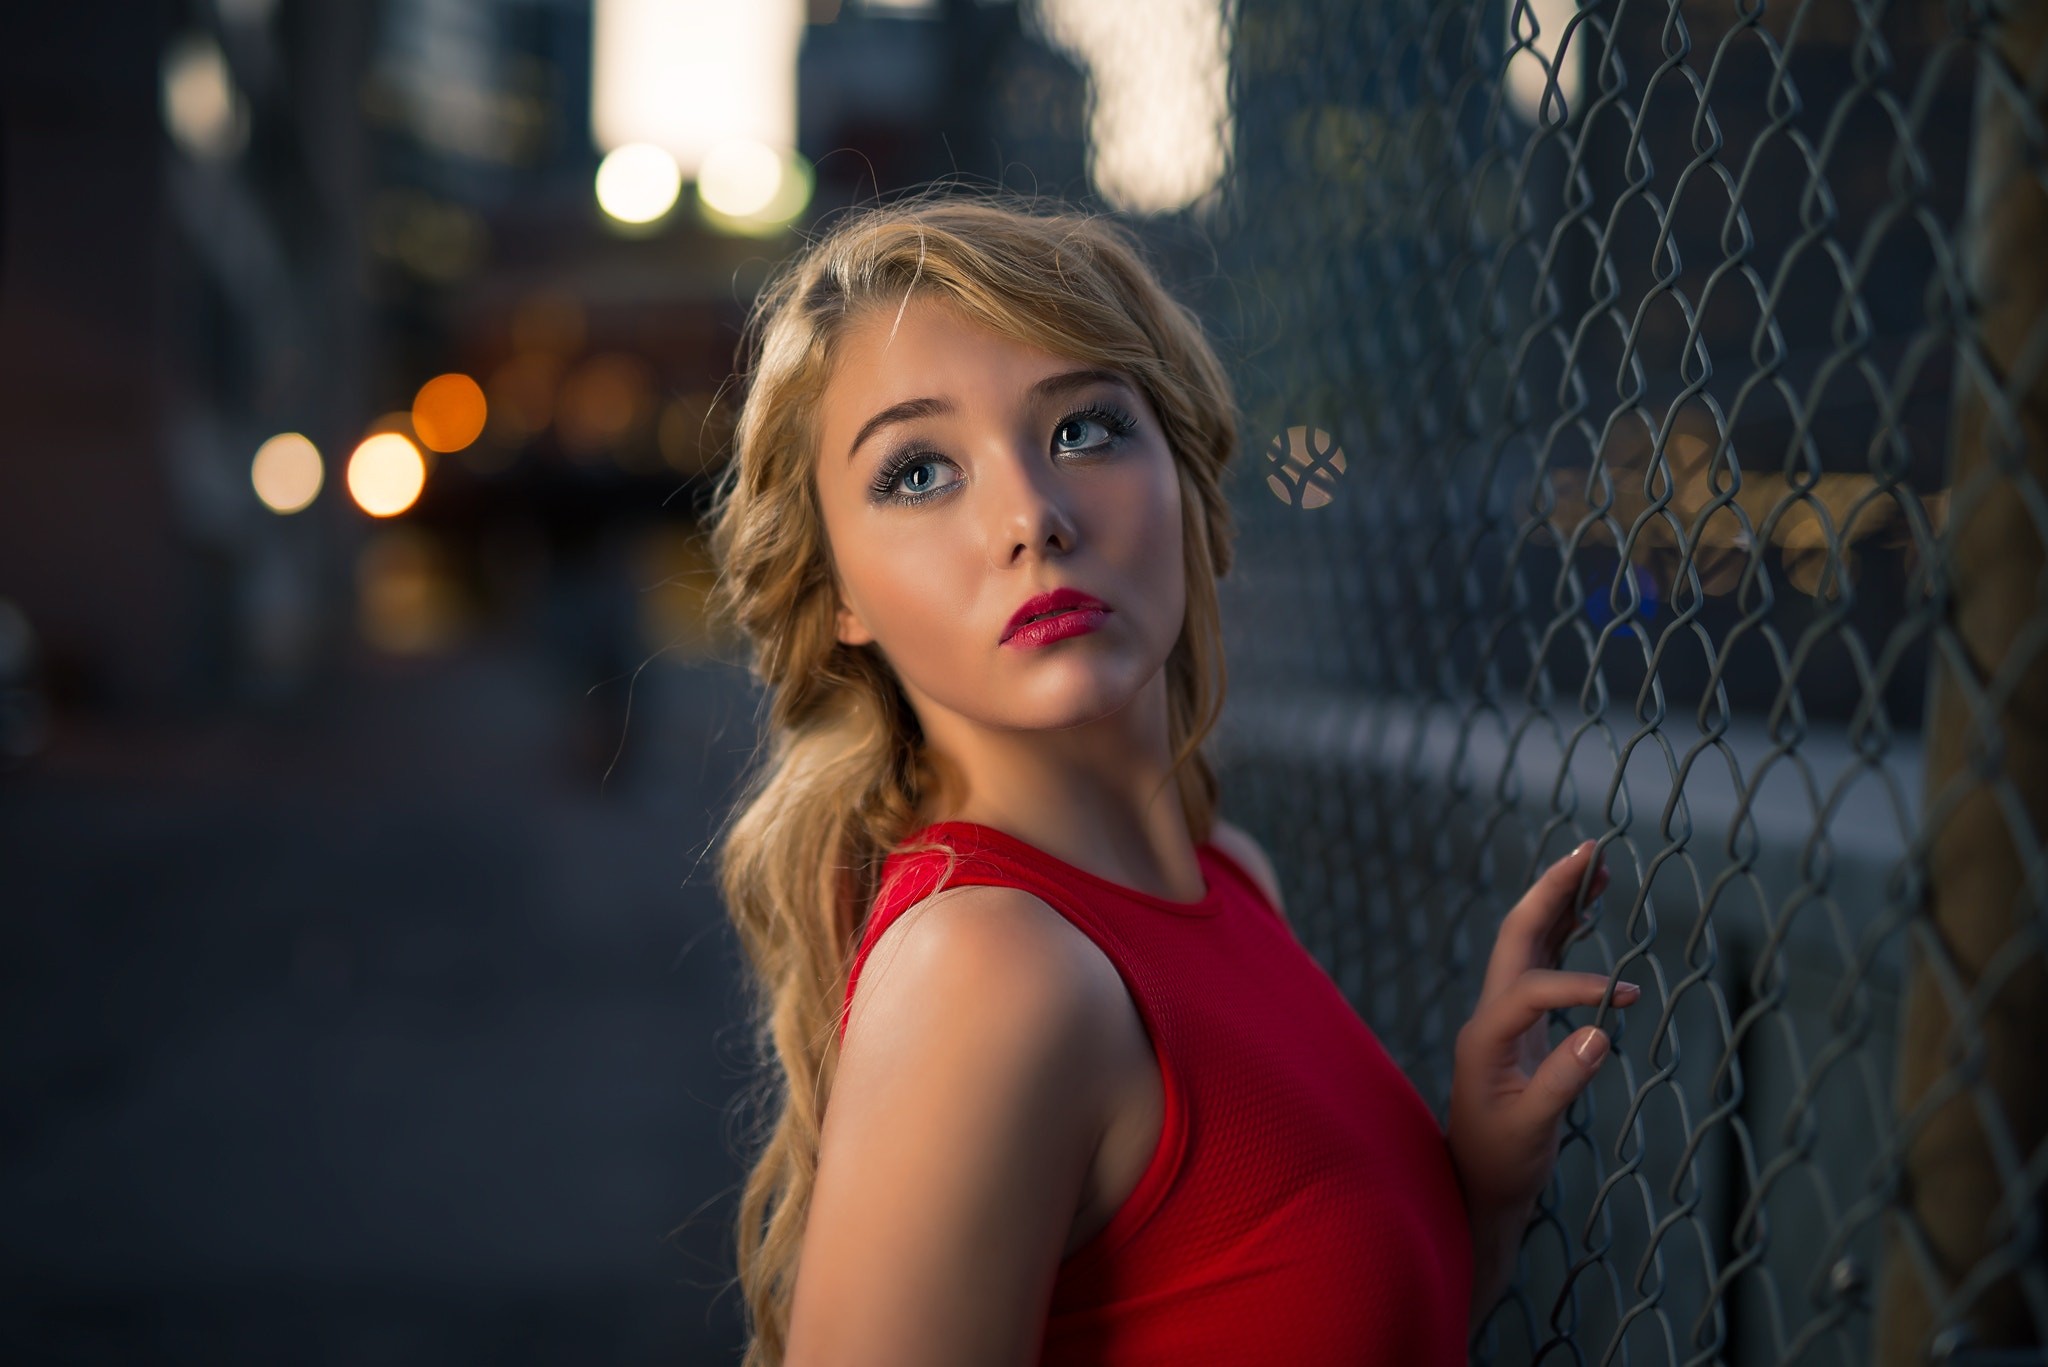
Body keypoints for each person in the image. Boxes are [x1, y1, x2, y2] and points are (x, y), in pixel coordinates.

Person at [702, 196, 1635, 1367]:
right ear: (836, 593)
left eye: (1083, 430)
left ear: (1184, 480)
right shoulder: (989, 967)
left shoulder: (1226, 873)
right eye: (919, 469)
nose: (1030, 517)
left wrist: (1477, 1204)